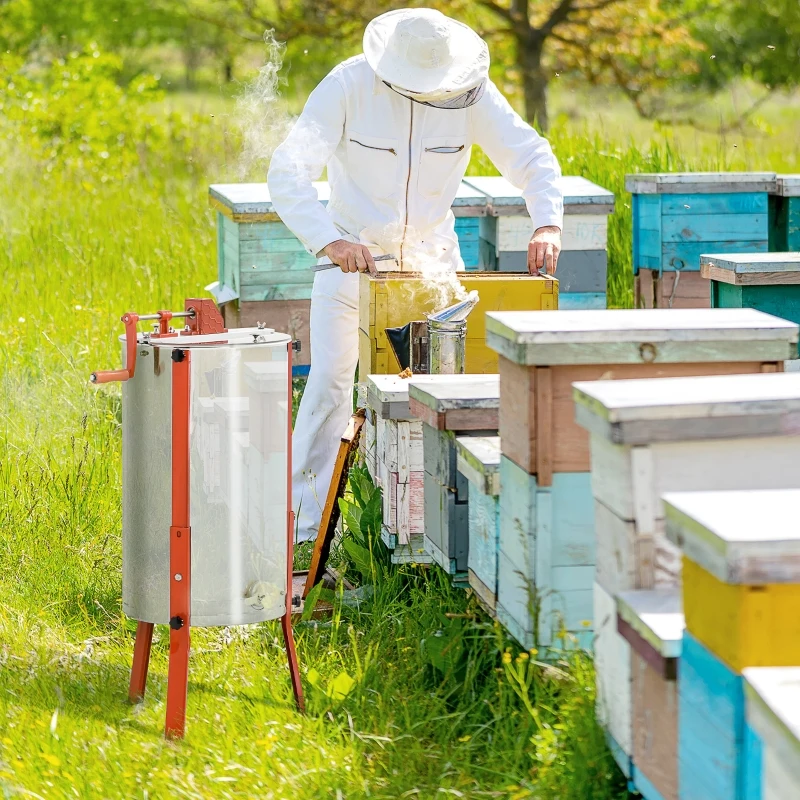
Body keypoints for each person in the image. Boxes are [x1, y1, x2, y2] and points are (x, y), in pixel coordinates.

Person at [268, 7, 563, 542]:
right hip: (351, 264)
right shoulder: (348, 84)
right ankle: (303, 534)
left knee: (441, 398)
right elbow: (288, 169)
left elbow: (531, 156)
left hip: (433, 272)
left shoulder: (470, 93)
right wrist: (329, 240)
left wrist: (547, 223)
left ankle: (430, 535)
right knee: (332, 387)